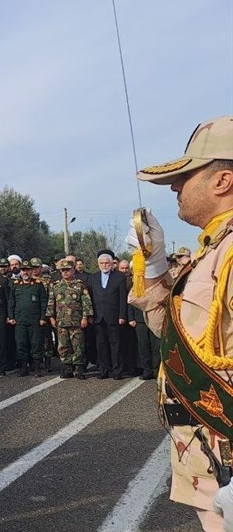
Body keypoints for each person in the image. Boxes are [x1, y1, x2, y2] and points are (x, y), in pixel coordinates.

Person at [126, 115, 233, 531]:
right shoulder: (213, 249)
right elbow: (174, 334)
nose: (175, 187)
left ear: (222, 181)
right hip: (209, 443)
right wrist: (153, 263)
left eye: (186, 176)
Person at [46, 260, 93, 379]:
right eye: (63, 270)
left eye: (68, 270)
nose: (65, 272)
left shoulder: (80, 284)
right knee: (63, 346)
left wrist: (85, 317)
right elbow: (51, 302)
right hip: (61, 321)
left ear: (73, 270)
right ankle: (67, 367)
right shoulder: (55, 285)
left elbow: (86, 302)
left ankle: (78, 369)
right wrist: (51, 317)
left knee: (78, 345)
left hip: (76, 321)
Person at [87, 252, 129, 380]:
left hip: (114, 316)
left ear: (111, 264)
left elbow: (123, 298)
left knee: (115, 345)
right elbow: (89, 298)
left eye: (107, 263)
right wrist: (90, 315)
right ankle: (104, 370)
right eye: (102, 263)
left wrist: (122, 315)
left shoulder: (120, 277)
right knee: (101, 345)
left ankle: (117, 371)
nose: (104, 265)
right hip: (98, 317)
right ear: (98, 264)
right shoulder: (92, 278)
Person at [8, 260, 47, 377]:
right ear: (21, 271)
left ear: (31, 271)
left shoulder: (38, 285)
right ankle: (24, 368)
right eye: (23, 270)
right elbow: (11, 302)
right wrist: (11, 316)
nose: (25, 272)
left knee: (36, 344)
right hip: (20, 320)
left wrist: (43, 317)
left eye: (28, 270)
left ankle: (37, 369)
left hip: (35, 320)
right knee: (21, 344)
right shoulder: (15, 286)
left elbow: (43, 302)